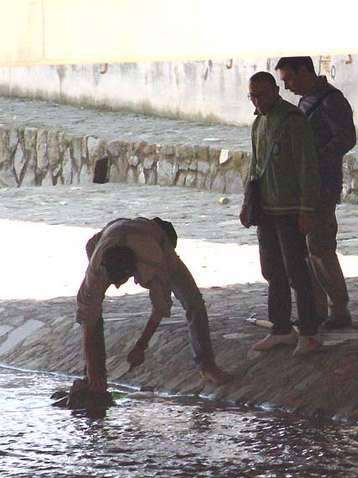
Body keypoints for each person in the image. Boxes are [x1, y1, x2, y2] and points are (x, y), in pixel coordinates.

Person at [76, 217, 231, 392]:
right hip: (111, 233)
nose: (119, 286)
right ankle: (93, 374)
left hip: (154, 239)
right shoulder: (98, 264)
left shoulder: (156, 260)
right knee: (92, 313)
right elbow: (87, 315)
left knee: (194, 302)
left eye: (123, 281)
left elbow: (160, 308)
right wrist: (93, 373)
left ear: (133, 271)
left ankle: (207, 366)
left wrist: (141, 346)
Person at [240, 71, 322, 356]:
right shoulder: (258, 123)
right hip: (266, 208)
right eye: (252, 95)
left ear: (275, 91)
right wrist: (247, 202)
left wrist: (306, 208)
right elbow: (255, 165)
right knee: (272, 270)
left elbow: (306, 167)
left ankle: (309, 332)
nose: (257, 100)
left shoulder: (292, 121)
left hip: (289, 208)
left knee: (297, 271)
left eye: (261, 94)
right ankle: (281, 328)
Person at [275, 56, 356, 329]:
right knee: (308, 249)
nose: (287, 86)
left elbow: (346, 138)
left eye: (289, 79)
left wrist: (314, 159)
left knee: (320, 246)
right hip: (303, 186)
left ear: (305, 71)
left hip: (322, 185)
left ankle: (338, 309)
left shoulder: (331, 100)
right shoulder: (306, 100)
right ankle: (318, 309)